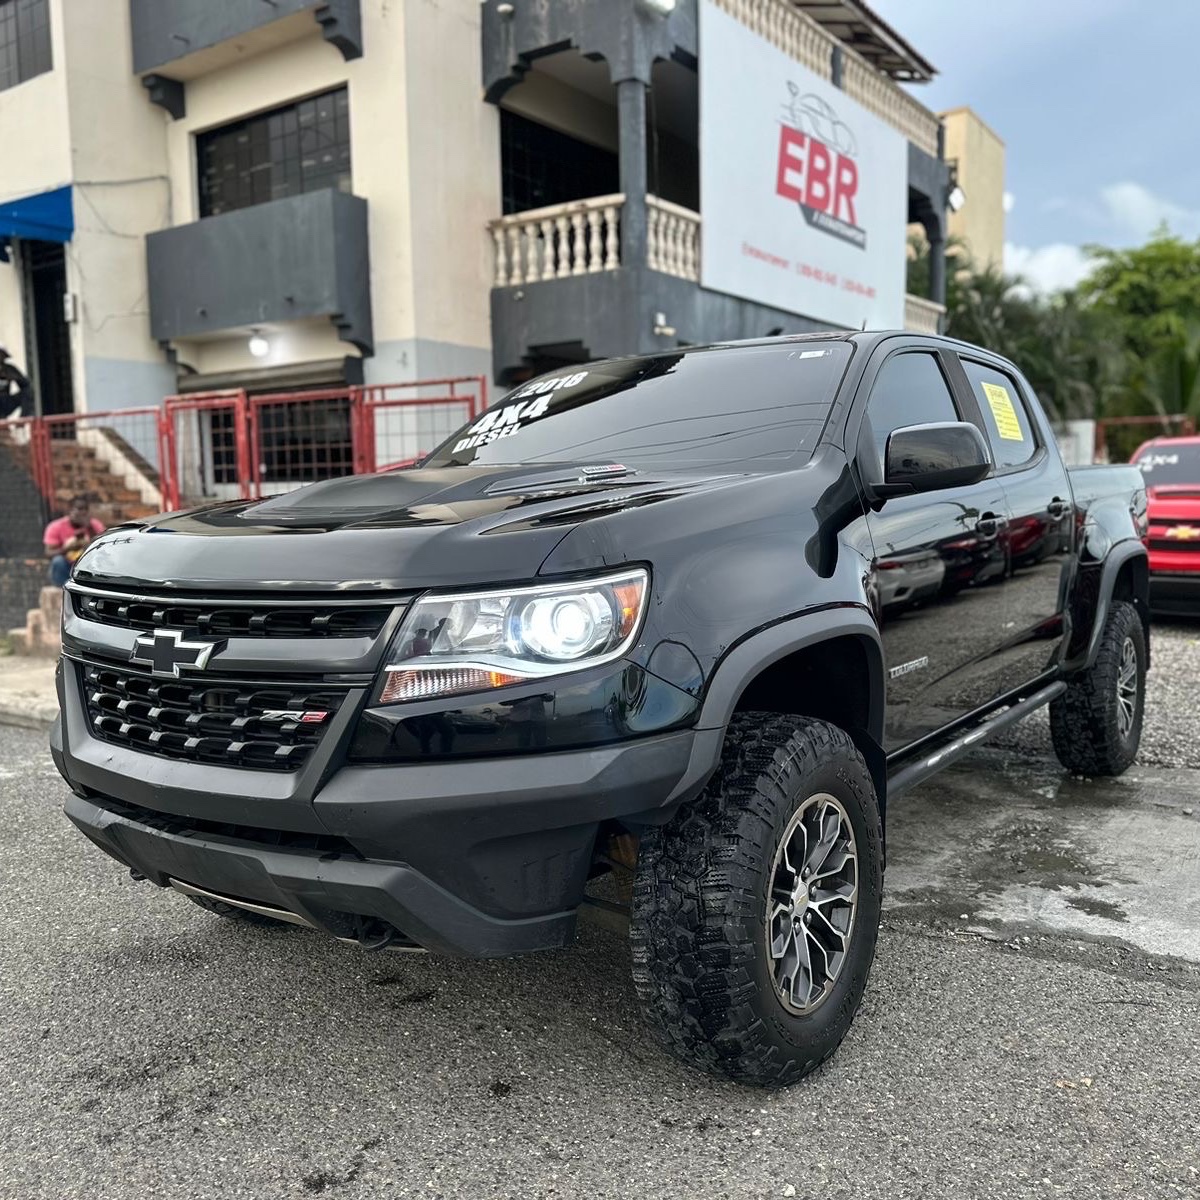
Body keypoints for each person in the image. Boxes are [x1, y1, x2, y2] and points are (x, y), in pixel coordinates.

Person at [44, 495, 105, 586]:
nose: (83, 513)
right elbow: (48, 553)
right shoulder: (56, 526)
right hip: (66, 567)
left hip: (88, 568)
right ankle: (64, 590)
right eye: (80, 509)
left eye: (85, 509)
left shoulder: (94, 525)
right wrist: (67, 549)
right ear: (70, 511)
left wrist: (89, 527)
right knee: (58, 561)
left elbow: (103, 547)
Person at [0, 346, 33, 418]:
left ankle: (22, 420)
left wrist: (12, 377)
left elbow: (26, 386)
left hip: (5, 402)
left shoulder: (9, 369)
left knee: (28, 392)